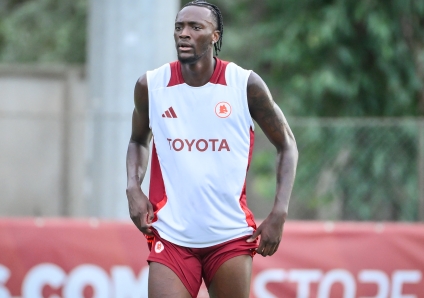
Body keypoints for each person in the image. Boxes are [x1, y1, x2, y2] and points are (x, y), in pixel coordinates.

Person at [126, 1, 298, 297]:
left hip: (229, 237)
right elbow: (138, 140)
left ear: (215, 36)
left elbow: (287, 145)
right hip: (171, 235)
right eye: (179, 27)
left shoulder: (244, 85)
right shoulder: (151, 85)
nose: (184, 34)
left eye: (195, 27)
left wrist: (279, 212)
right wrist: (133, 186)